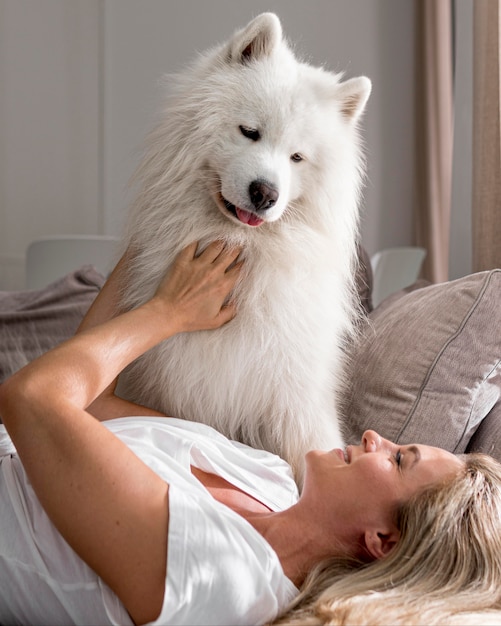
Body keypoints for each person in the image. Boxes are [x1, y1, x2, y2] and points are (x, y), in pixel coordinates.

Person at [0, 241, 500, 626]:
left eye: (397, 460)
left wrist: (166, 313)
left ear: (383, 541)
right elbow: (95, 405)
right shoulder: (270, 480)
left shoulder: (228, 576)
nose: (375, 436)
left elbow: (33, 398)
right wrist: (152, 240)